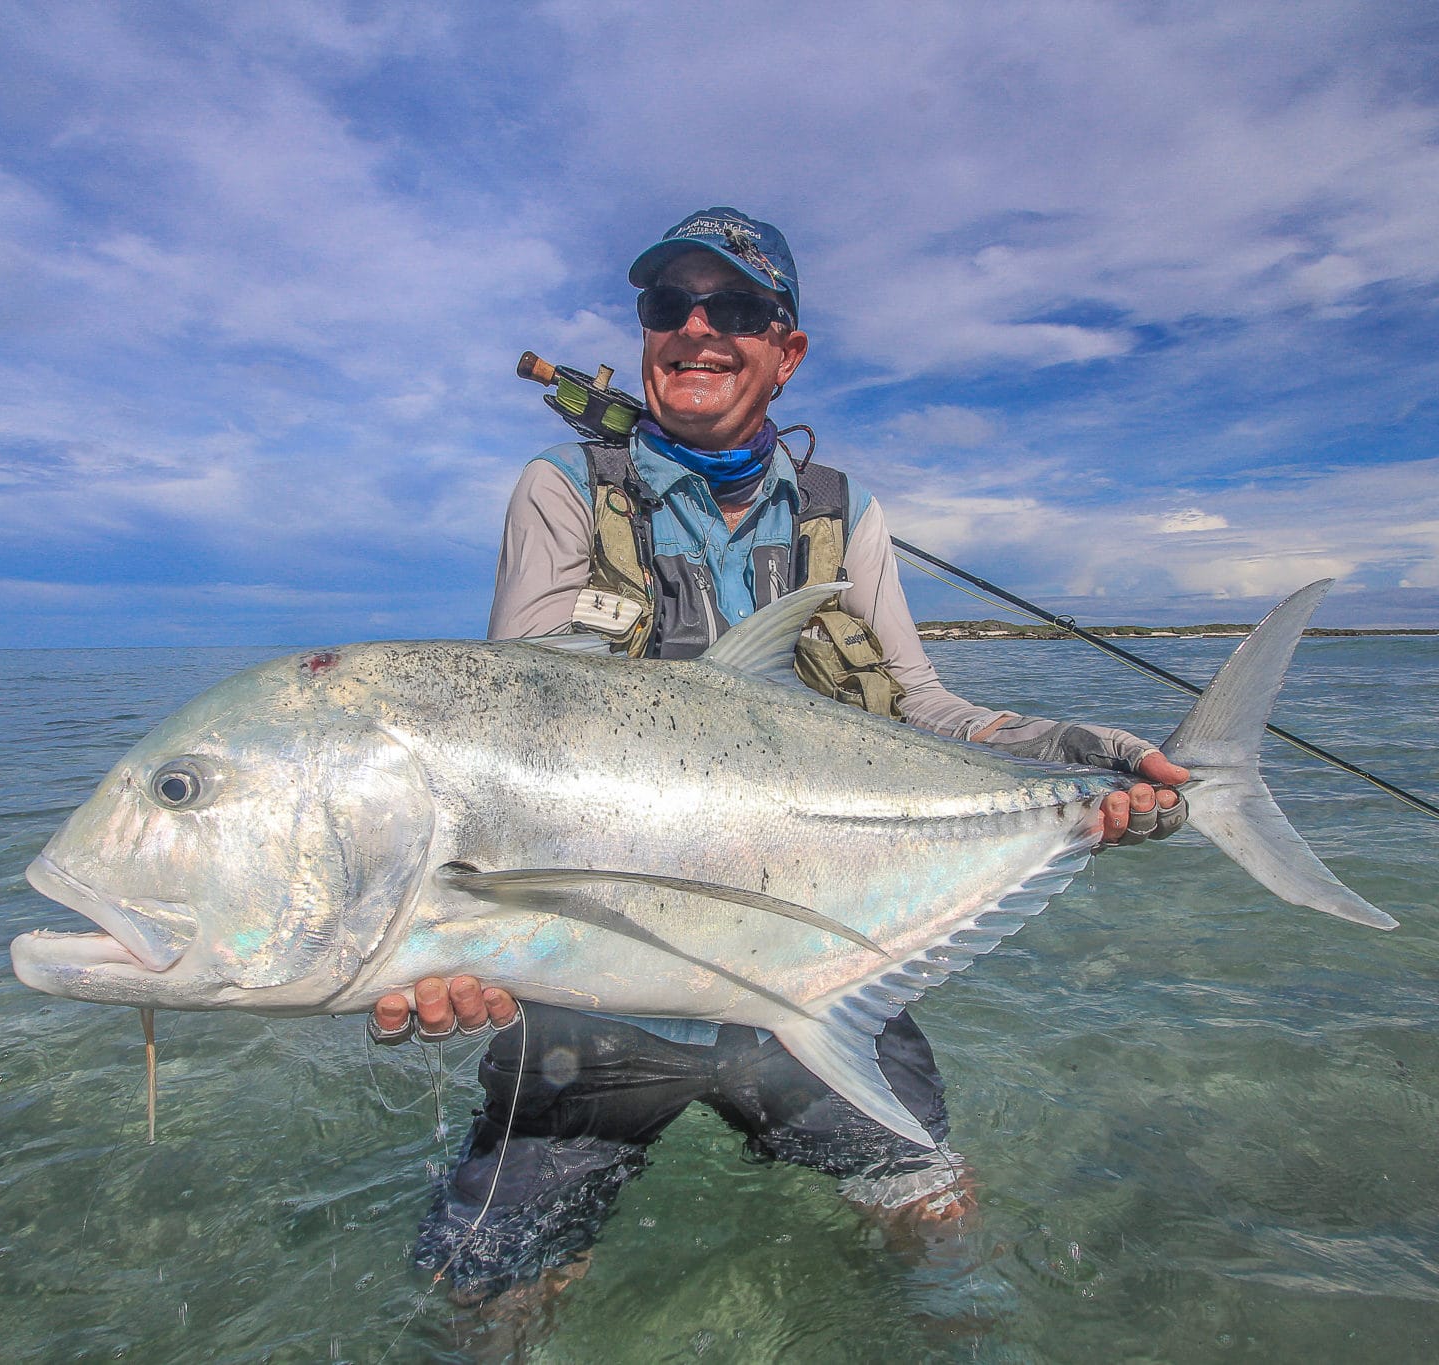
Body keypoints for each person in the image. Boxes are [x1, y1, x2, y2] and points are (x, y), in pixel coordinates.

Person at [374, 208, 1190, 1300]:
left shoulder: (839, 512)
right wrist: (439, 935)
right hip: (595, 1009)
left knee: (939, 1241)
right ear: (649, 331)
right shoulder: (563, 487)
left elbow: (918, 709)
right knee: (482, 1292)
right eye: (671, 306)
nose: (699, 329)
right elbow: (513, 732)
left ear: (785, 350)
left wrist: (1067, 756)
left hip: (816, 975)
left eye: (739, 309)